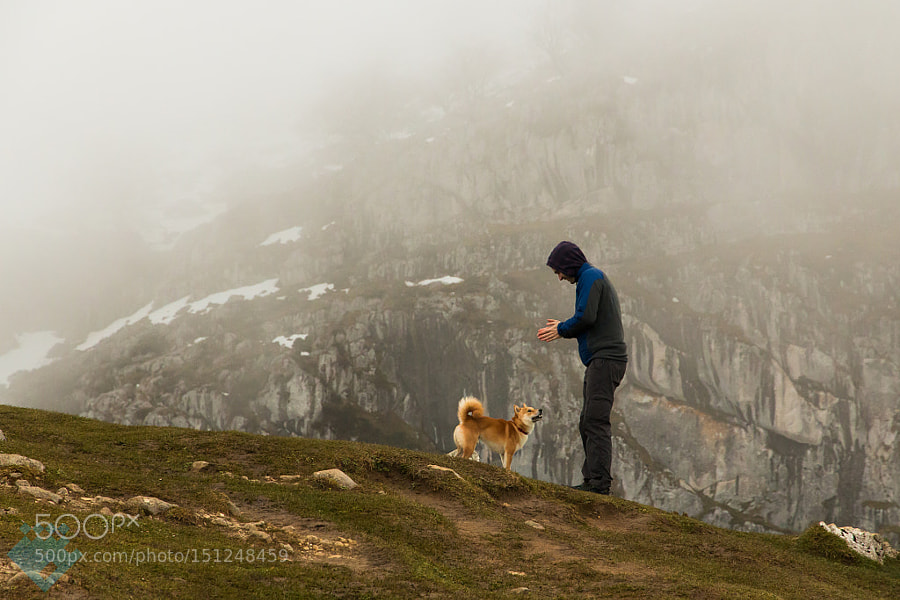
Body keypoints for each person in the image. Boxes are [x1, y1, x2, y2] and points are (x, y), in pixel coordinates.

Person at [537, 241, 627, 495]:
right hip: (601, 361)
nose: (560, 277)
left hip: (606, 360)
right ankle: (592, 481)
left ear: (567, 264)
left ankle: (599, 485)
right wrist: (565, 326)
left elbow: (586, 317)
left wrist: (562, 329)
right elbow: (589, 318)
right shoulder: (589, 278)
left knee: (595, 421)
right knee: (586, 420)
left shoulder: (591, 277)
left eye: (559, 271)